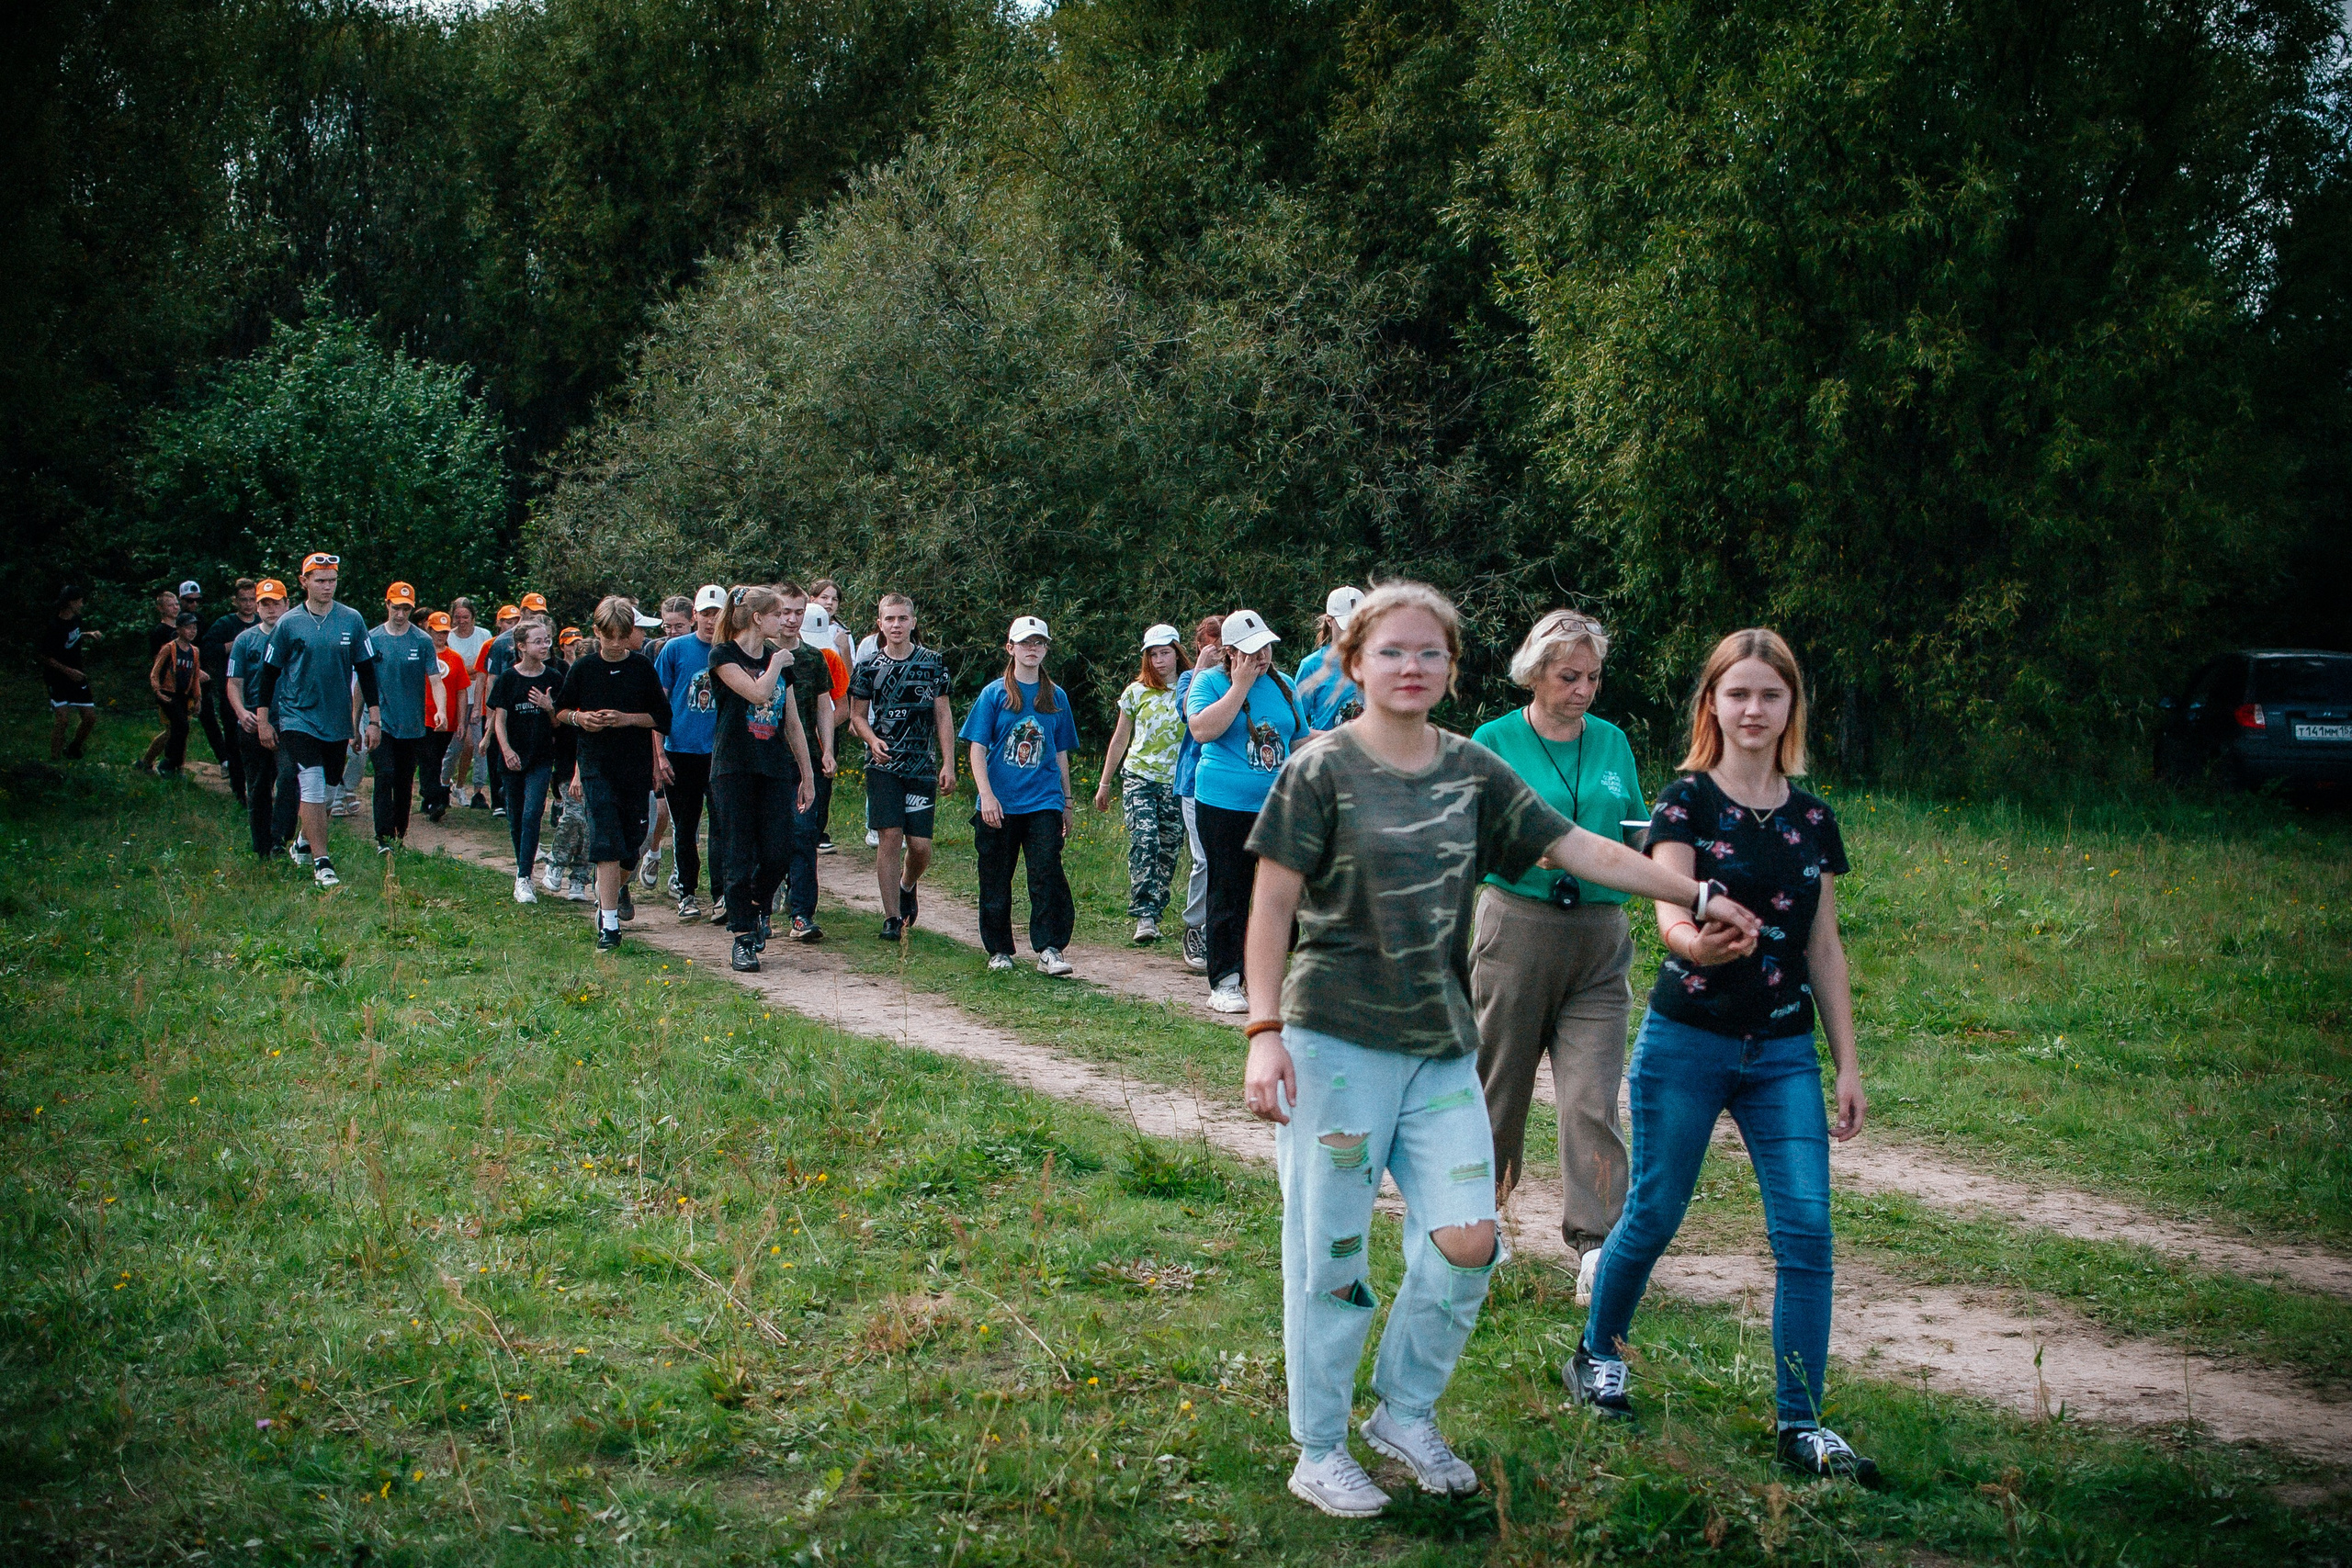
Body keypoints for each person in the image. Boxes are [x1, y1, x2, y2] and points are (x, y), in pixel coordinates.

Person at [1237, 581, 1758, 1519]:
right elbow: (1271, 903)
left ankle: (1403, 1411)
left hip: (1439, 1042)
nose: (1410, 668)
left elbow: (1577, 848)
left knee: (1469, 1240)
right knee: (1333, 1253)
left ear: (1450, 667)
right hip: (1332, 1044)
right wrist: (1264, 1034)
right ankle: (1318, 1447)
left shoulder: (1471, 770)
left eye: (1428, 654)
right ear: (1354, 663)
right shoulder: (1317, 770)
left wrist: (1694, 896)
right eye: (1391, 652)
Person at [1570, 628, 1879, 1486]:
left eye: (1770, 696)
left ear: (1790, 708)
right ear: (1712, 703)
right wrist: (1691, 944)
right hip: (1688, 1042)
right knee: (1655, 1214)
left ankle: (1801, 1422)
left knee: (1807, 1232)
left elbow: (1824, 947)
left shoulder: (1815, 819)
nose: (1753, 710)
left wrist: (1846, 1062)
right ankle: (1598, 1353)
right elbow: (1670, 907)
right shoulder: (1685, 802)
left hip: (1784, 1054)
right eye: (1737, 694)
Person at [1469, 611, 1647, 1302]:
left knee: (1593, 1097)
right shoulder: (1494, 740)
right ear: (1534, 672)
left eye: (1594, 677)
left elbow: (1634, 830)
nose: (1584, 690)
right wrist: (1523, 847)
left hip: (1599, 937)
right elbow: (1472, 835)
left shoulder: (1613, 742)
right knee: (1499, 1084)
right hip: (1516, 926)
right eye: (1569, 676)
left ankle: (1599, 1245)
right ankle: (1481, 1225)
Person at [1184, 608, 1306, 1012]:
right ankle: (1225, 981)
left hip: (1276, 804)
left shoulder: (1286, 685)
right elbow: (1202, 730)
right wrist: (1239, 687)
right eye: (1252, 651)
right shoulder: (1210, 681)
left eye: (1266, 648)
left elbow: (1300, 741)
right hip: (1223, 804)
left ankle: (1266, 975)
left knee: (1284, 894)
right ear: (1231, 652)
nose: (1262, 657)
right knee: (1229, 889)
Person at [251, 553, 383, 889]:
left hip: (336, 719)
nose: (327, 586)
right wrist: (264, 720)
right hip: (298, 716)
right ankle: (322, 862)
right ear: (304, 582)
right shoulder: (289, 623)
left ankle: (303, 842)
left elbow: (367, 671)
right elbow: (269, 673)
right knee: (309, 783)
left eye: (332, 580)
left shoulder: (351, 620)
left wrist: (373, 720)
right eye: (320, 580)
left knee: (328, 791)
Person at [964, 616, 1080, 976]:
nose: (1033, 649)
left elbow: (1061, 752)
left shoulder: (1055, 696)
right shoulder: (994, 694)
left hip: (1043, 800)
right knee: (996, 875)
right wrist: (987, 795)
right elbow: (977, 749)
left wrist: (1067, 800)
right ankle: (998, 949)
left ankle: (1049, 947)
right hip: (1000, 801)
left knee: (1046, 871)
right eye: (1025, 643)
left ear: (1046, 649)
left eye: (1039, 643)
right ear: (1010, 648)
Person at [707, 586, 816, 971]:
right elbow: (756, 694)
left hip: (773, 767)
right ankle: (741, 936)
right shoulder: (723, 655)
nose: (784, 621)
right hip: (734, 767)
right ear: (758, 618)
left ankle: (755, 908)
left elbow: (791, 720)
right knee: (738, 852)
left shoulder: (776, 658)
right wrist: (776, 665)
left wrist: (807, 773)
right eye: (777, 614)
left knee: (779, 850)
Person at [556, 596, 672, 951]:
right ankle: (609, 924)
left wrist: (626, 719)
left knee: (631, 846)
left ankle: (614, 887)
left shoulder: (641, 668)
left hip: (634, 766)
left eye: (624, 637)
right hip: (596, 764)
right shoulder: (583, 668)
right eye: (610, 638)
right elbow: (560, 710)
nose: (617, 645)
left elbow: (663, 718)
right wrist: (581, 719)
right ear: (597, 632)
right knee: (605, 840)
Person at [846, 594, 955, 940]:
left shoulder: (933, 663)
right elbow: (857, 716)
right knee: (889, 837)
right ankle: (891, 916)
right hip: (883, 764)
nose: (896, 625)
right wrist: (871, 740)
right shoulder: (868, 667)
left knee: (919, 845)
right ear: (880, 623)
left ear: (913, 621)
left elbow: (943, 715)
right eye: (889, 619)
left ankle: (908, 884)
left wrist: (949, 763)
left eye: (902, 619)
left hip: (920, 764)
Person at [1093, 623, 1185, 943]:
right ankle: (1143, 914)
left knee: (1168, 848)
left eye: (1165, 653)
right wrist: (1104, 783)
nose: (1160, 660)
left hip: (1176, 782)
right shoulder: (1136, 692)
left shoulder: (1192, 688)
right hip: (1139, 777)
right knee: (1145, 839)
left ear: (1177, 653)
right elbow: (1121, 737)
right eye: (1153, 655)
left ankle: (1157, 910)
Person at [771, 583, 837, 942]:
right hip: (765, 758)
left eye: (798, 612)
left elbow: (825, 706)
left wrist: (827, 748)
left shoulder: (813, 657)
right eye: (784, 612)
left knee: (803, 833)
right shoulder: (758, 653)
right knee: (766, 835)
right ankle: (760, 909)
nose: (792, 619)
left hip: (805, 760)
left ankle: (801, 914)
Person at [652, 586, 722, 920]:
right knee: (685, 827)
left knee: (723, 826)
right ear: (695, 615)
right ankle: (688, 892)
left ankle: (722, 893)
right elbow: (658, 705)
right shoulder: (675, 649)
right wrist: (659, 755)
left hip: (719, 753)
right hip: (679, 750)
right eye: (705, 613)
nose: (711, 620)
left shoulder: (729, 651)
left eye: (716, 613)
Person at [488, 617, 560, 903]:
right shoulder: (508, 678)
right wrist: (505, 750)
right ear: (521, 647)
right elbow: (499, 720)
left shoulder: (553, 678)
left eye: (546, 640)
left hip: (541, 756)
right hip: (512, 757)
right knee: (516, 816)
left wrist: (549, 707)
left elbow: (560, 724)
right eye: (538, 641)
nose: (544, 646)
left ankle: (524, 877)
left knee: (532, 814)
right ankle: (523, 869)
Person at [363, 583, 437, 851]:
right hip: (380, 721)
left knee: (405, 779)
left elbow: (435, 679)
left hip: (412, 723)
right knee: (385, 773)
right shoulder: (372, 639)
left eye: (406, 609)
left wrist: (439, 708)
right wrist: (354, 720)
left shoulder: (422, 640)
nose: (401, 614)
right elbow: (362, 683)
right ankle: (383, 836)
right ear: (387, 605)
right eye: (396, 608)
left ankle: (399, 833)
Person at [226, 581, 294, 858]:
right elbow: (233, 682)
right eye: (264, 603)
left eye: (276, 603)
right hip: (253, 719)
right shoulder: (245, 640)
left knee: (290, 778)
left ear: (286, 604)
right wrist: (242, 713)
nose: (270, 609)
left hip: (288, 719)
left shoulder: (294, 636)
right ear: (256, 606)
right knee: (258, 785)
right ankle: (262, 846)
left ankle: (280, 836)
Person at [1171, 617, 1222, 973]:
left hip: (1234, 785)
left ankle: (1224, 931)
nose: (1219, 650)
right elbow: (1187, 715)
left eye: (1223, 643)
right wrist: (1202, 666)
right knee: (1205, 858)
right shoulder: (1189, 680)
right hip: (1194, 782)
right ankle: (1196, 927)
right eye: (1210, 644)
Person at [200, 580, 260, 802]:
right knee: (235, 741)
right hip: (233, 689)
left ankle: (259, 786)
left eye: (252, 599)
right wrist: (232, 645)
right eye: (243, 600)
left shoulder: (265, 622)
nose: (248, 604)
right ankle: (239, 790)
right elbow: (206, 649)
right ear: (235, 601)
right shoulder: (225, 624)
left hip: (260, 691)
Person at [799, 601, 850, 855]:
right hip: (791, 739)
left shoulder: (830, 658)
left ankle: (815, 834)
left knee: (821, 789)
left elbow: (843, 706)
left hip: (822, 738)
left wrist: (824, 732)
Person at [38, 584, 102, 761]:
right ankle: (54, 760)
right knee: (63, 719)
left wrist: (88, 634)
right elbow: (45, 656)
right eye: (80, 601)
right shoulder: (53, 626)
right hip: (58, 676)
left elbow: (73, 636)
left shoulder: (76, 620)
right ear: (70, 603)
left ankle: (73, 748)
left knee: (89, 717)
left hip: (77, 673)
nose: (82, 604)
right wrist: (67, 671)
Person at [475, 602, 527, 816]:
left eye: (515, 620)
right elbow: (486, 678)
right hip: (498, 704)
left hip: (523, 706)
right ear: (499, 622)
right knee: (496, 750)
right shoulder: (492, 644)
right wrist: (485, 711)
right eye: (508, 621)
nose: (512, 624)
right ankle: (498, 799)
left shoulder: (538, 639)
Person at [1293, 586, 1365, 732]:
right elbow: (1295, 727)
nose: (1352, 630)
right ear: (1329, 620)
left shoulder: (1376, 660)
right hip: (1329, 753)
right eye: (1347, 624)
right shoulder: (1311, 666)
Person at [444, 597, 493, 808]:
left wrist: (465, 671)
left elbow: (485, 668)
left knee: (475, 745)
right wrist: (470, 672)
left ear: (473, 617)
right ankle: (443, 783)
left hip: (479, 698)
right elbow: (449, 668)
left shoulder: (484, 635)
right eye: (457, 617)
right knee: (454, 746)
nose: (461, 621)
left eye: (465, 617)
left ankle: (468, 788)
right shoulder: (448, 637)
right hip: (454, 699)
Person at [420, 611, 469, 823]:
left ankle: (430, 797)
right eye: (437, 631)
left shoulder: (455, 658)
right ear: (428, 630)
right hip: (423, 717)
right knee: (427, 757)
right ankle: (435, 797)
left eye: (445, 632)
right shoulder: (420, 654)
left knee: (437, 758)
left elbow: (461, 690)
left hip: (446, 719)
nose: (441, 636)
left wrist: (461, 719)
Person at [145, 611, 206, 775]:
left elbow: (194, 677)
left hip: (183, 695)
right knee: (180, 725)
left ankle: (173, 765)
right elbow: (155, 671)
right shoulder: (169, 648)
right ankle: (169, 763)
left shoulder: (194, 651)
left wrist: (198, 698)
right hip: (167, 693)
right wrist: (157, 691)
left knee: (180, 728)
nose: (192, 631)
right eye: (188, 628)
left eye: (194, 628)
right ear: (178, 629)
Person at [137, 586, 182, 772]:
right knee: (173, 729)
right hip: (166, 685)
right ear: (161, 609)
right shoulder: (159, 632)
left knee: (179, 729)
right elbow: (158, 659)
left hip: (183, 685)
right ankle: (151, 762)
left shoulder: (182, 630)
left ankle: (170, 765)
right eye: (170, 605)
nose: (175, 608)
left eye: (177, 604)